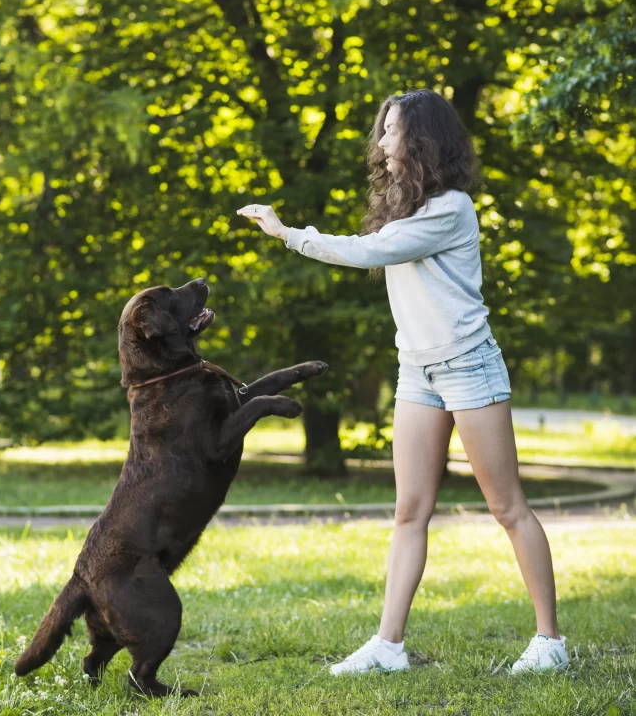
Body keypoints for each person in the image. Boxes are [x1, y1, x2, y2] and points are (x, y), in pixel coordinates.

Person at [237, 88, 569, 677]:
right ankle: (389, 646)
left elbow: (369, 253)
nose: (382, 142)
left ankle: (550, 642)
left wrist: (289, 233)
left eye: (391, 132)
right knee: (409, 511)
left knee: (506, 506)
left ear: (422, 141)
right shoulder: (409, 208)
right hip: (418, 371)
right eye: (383, 131)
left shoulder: (451, 209)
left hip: (468, 365)